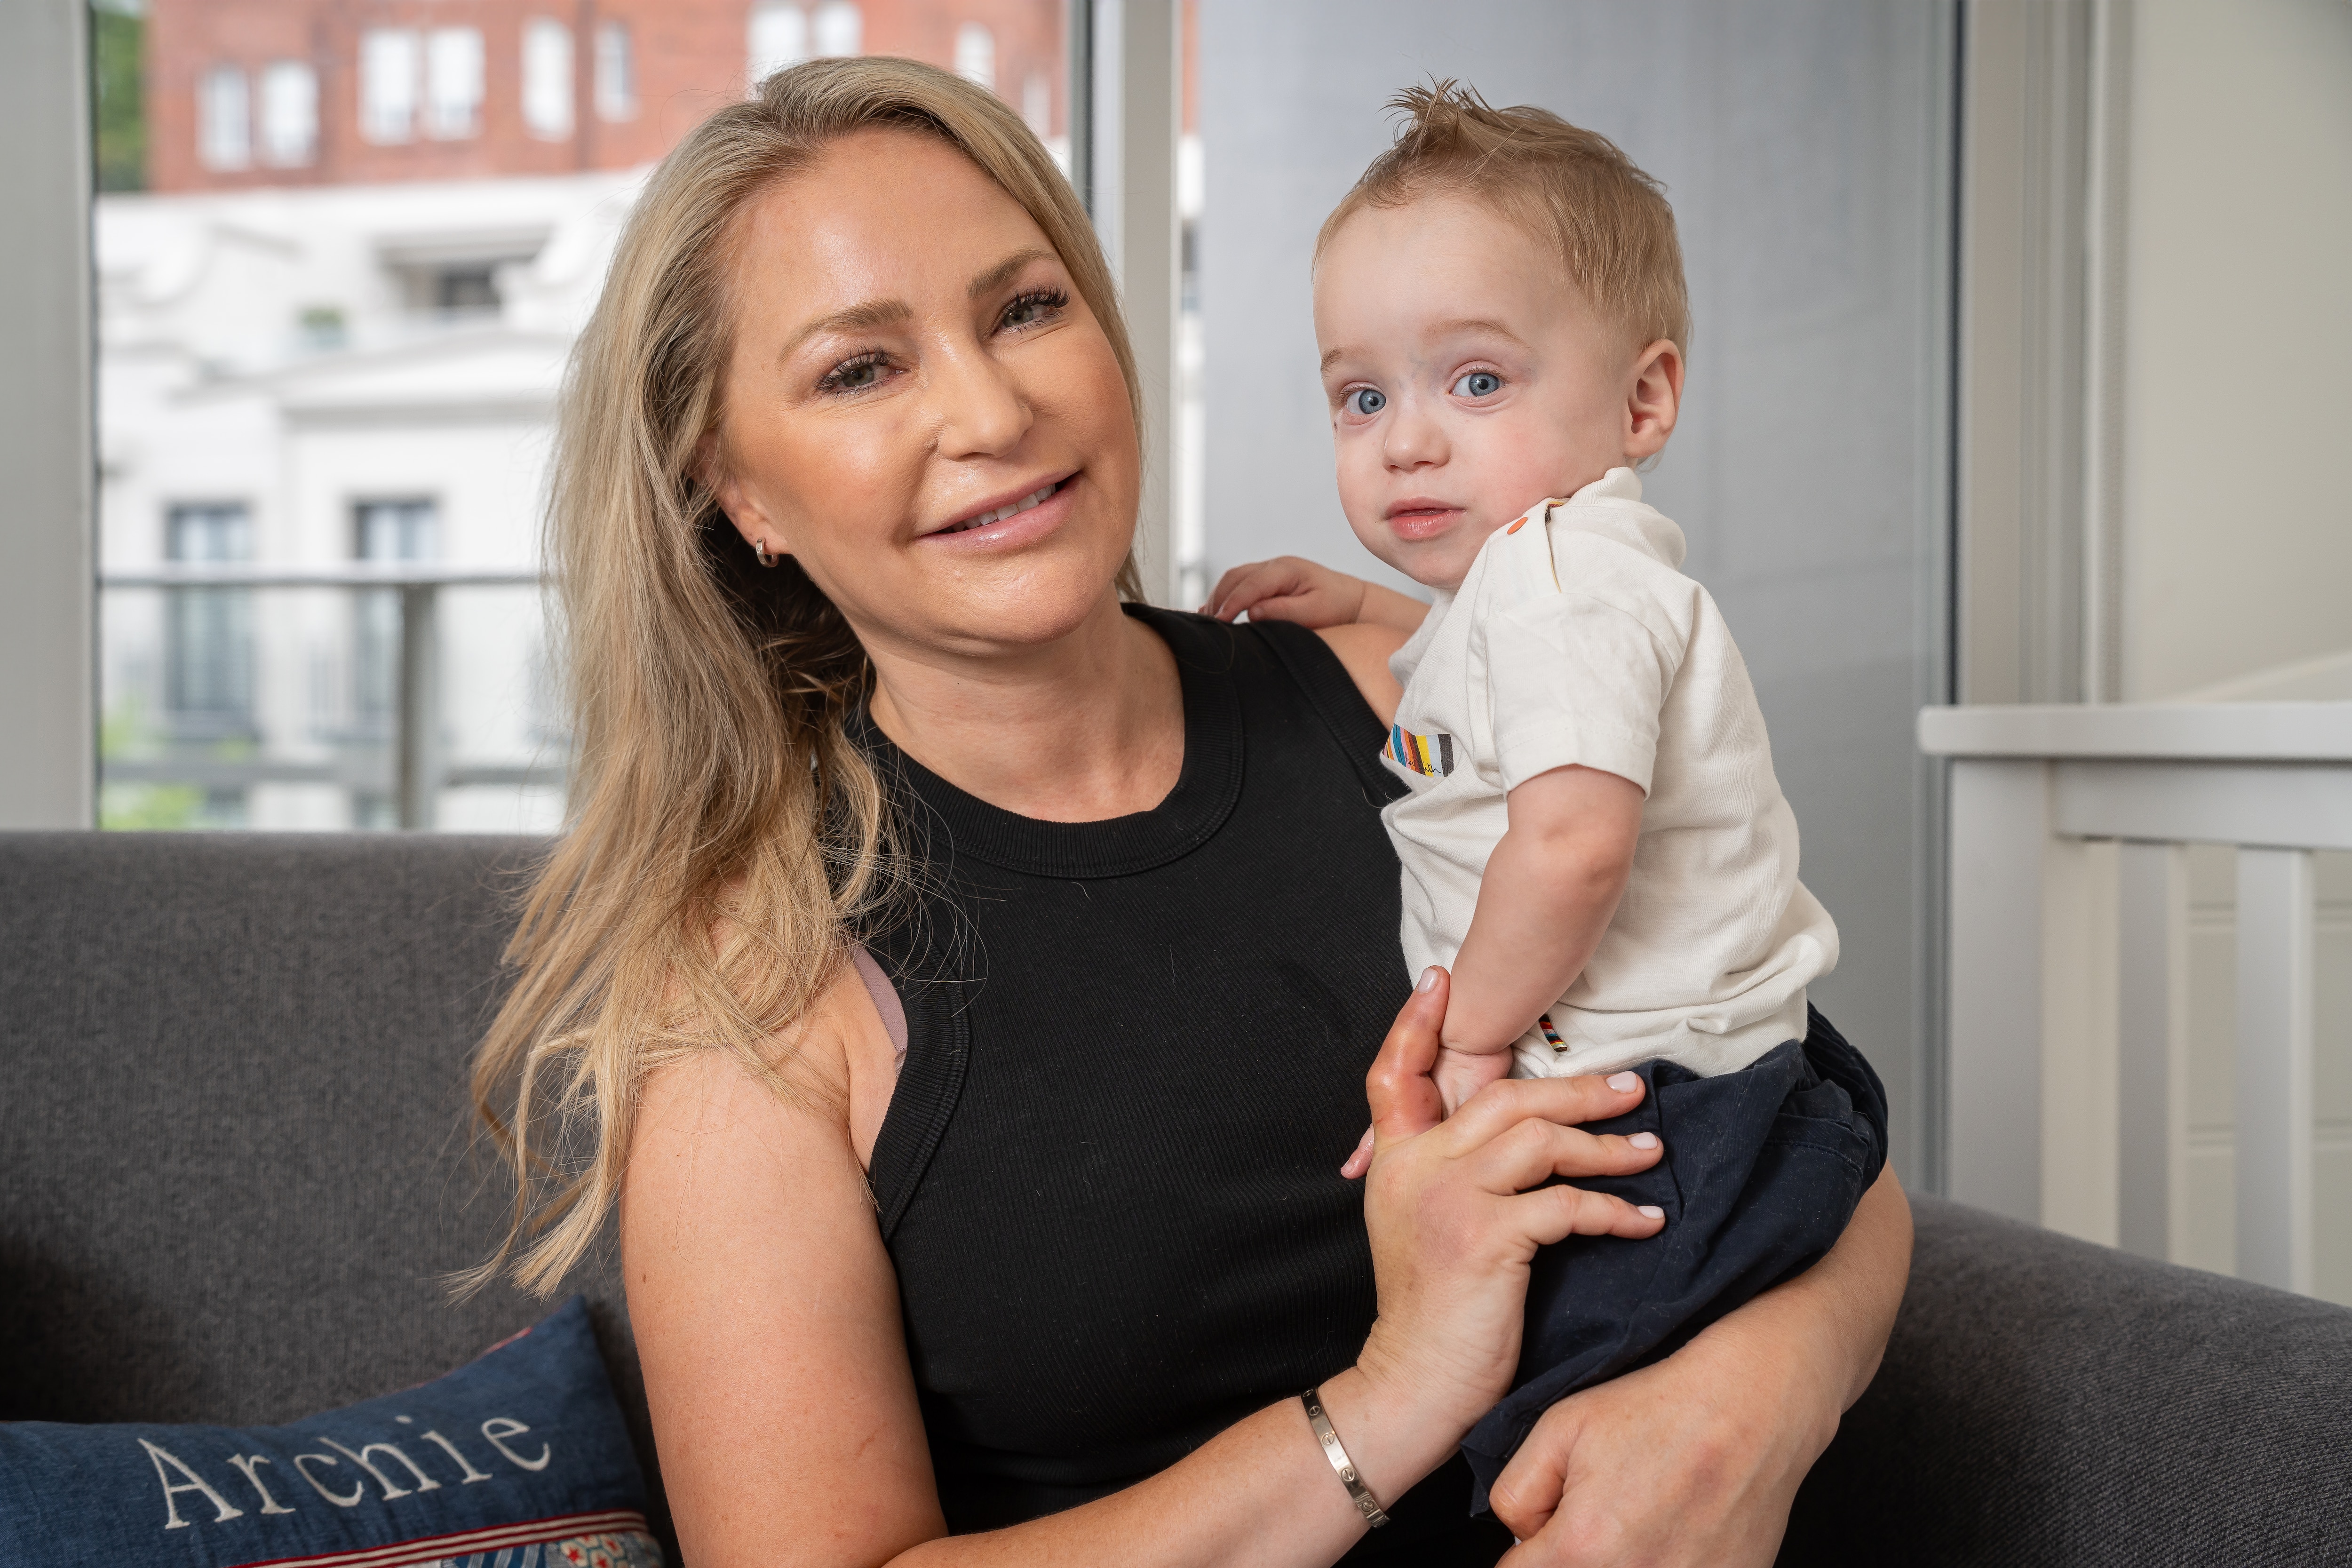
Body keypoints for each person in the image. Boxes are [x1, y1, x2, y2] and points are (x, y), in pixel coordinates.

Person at [470, 56, 1914, 1568]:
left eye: (1026, 309)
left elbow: (1802, 1112)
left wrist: (1758, 1397)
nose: (992, 408)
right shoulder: (753, 986)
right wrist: (1393, 1397)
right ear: (740, 495)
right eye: (860, 369)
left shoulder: (1398, 687)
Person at [1204, 86, 1884, 1512]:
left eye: (1476, 382)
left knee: (1553, 1449)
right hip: (1721, 1082)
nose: (1406, 442)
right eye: (1364, 397)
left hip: (1657, 1114)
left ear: (1642, 400)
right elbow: (1504, 695)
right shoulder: (1555, 576)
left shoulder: (1562, 587)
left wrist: (1474, 1044)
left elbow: (1573, 845)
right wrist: (1378, 610)